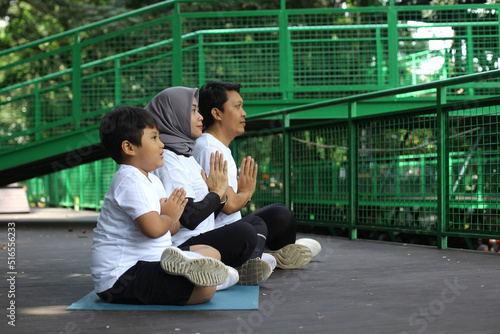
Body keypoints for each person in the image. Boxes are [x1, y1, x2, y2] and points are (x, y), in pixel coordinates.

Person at [91, 105, 230, 306]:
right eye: (154, 138)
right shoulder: (129, 180)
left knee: (211, 252)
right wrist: (170, 214)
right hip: (121, 277)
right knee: (205, 291)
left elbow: (169, 230)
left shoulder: (152, 180)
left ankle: (197, 269)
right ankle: (223, 277)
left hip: (153, 261)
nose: (162, 145)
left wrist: (171, 215)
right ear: (129, 147)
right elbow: (154, 229)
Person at [144, 87, 272, 286]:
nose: (200, 116)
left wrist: (218, 196)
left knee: (254, 225)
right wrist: (218, 194)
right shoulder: (169, 162)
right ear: (173, 115)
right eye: (193, 111)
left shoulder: (185, 156)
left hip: (202, 236)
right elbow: (188, 217)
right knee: (245, 233)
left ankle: (240, 265)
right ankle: (235, 267)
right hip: (183, 244)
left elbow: (207, 207)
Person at [195, 81, 321, 269]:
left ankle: (274, 254)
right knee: (256, 223)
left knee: (280, 214)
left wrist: (242, 194)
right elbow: (228, 205)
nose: (244, 113)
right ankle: (261, 258)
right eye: (237, 107)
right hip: (220, 234)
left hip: (234, 228)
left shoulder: (218, 147)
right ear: (217, 113)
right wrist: (246, 192)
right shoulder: (209, 148)